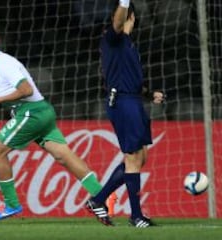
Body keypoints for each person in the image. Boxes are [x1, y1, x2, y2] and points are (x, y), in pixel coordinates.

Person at [0, 29, 104, 220]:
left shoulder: (4, 63)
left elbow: (26, 89)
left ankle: (11, 204)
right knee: (63, 155)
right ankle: (103, 194)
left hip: (31, 112)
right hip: (43, 112)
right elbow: (10, 95)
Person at [85, 0, 164, 228]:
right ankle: (136, 216)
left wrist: (150, 94)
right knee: (132, 158)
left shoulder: (128, 44)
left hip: (133, 100)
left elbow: (130, 79)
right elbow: (118, 22)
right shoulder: (114, 38)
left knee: (140, 158)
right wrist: (124, 2)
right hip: (121, 101)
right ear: (130, 18)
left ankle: (98, 200)